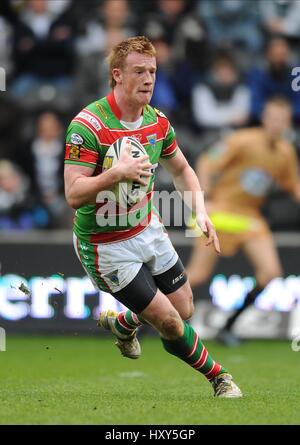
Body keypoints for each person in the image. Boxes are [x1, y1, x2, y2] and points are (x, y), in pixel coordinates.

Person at [64, 36, 242, 398]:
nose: (148, 79)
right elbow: (73, 194)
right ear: (117, 75)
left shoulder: (157, 122)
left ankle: (123, 323)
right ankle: (219, 377)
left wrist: (200, 213)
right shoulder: (89, 126)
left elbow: (181, 168)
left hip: (147, 228)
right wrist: (117, 173)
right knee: (170, 322)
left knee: (185, 308)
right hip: (105, 245)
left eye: (153, 72)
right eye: (139, 71)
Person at [186, 96, 300, 346]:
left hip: (249, 217)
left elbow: (293, 186)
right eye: (273, 118)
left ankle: (229, 325)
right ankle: (144, 315)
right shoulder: (242, 140)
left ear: (288, 122)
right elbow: (206, 162)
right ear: (264, 119)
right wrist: (204, 199)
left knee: (271, 273)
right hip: (221, 211)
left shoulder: (286, 152)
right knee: (198, 275)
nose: (277, 124)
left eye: (282, 119)